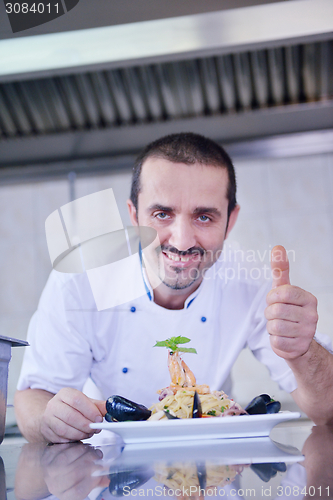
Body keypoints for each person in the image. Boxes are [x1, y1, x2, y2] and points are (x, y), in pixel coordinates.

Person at [14, 133, 333, 443]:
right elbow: (33, 398)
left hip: (215, 463)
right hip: (110, 465)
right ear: (134, 215)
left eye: (204, 217)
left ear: (230, 221)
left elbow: (327, 411)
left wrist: (304, 353)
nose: (182, 241)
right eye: (162, 214)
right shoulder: (82, 278)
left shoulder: (249, 283)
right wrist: (49, 420)